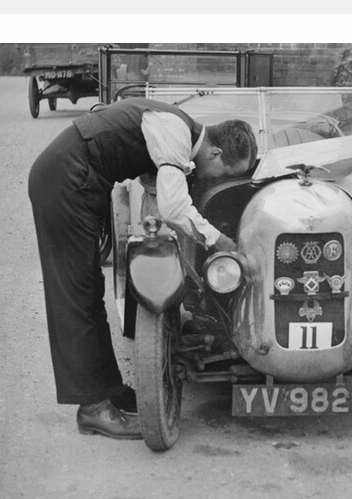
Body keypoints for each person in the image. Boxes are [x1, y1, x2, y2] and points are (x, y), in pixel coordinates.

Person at [28, 97, 258, 440]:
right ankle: (93, 409)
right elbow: (173, 205)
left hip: (77, 179)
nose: (218, 179)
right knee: (73, 296)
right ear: (214, 154)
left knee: (90, 291)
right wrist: (219, 241)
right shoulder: (175, 133)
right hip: (65, 179)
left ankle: (109, 388)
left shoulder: (179, 127)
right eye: (226, 173)